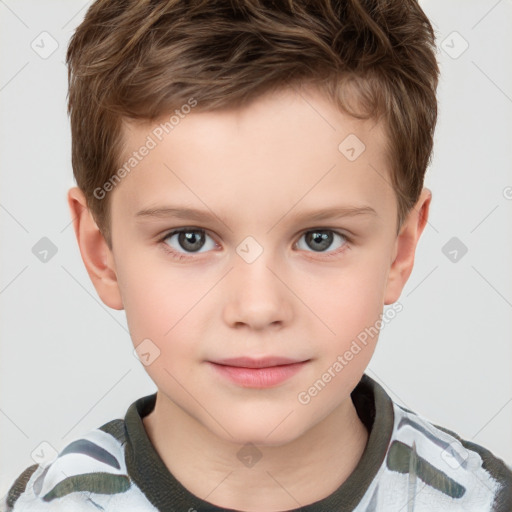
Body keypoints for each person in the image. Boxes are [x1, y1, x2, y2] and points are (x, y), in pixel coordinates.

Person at [3, 0, 511, 511]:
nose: (257, 307)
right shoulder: (51, 503)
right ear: (102, 252)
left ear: (400, 252)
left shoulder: (479, 499)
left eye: (320, 238)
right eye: (190, 239)